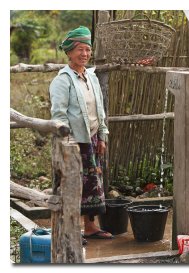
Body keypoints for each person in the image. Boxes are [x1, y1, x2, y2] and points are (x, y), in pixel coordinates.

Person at [49, 26, 113, 240]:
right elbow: (59, 114)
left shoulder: (91, 77)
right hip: (73, 141)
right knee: (73, 184)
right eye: (80, 50)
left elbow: (100, 109)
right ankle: (69, 230)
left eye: (87, 49)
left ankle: (90, 227)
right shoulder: (62, 80)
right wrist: (68, 143)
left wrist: (102, 135)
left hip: (92, 138)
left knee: (92, 184)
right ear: (69, 52)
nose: (84, 54)